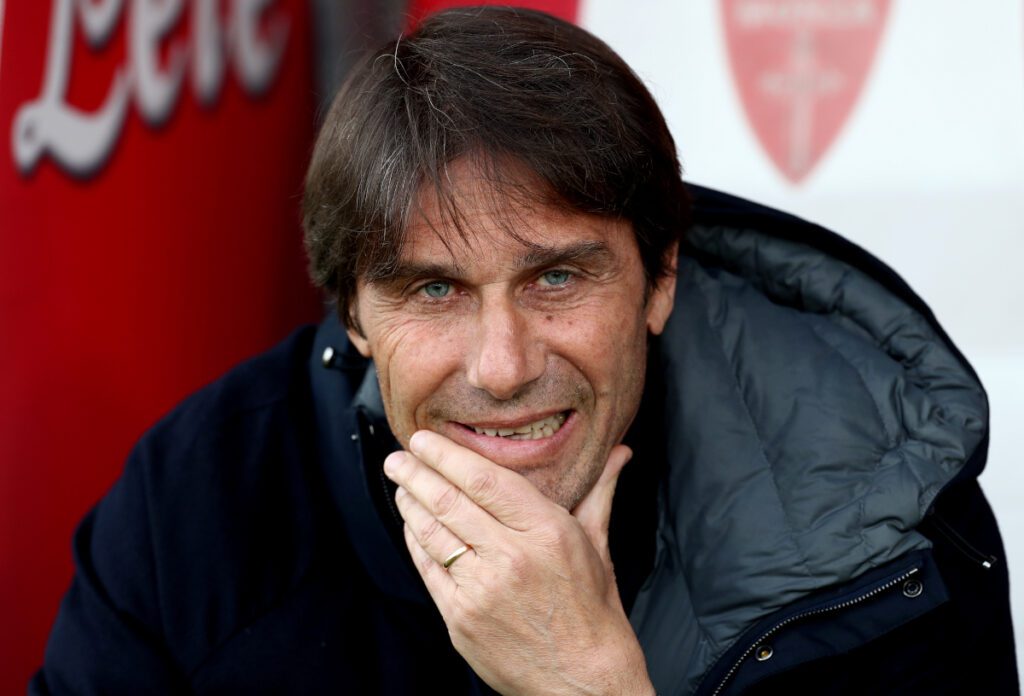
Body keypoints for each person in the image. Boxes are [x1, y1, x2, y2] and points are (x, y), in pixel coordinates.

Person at [32, 7, 1017, 694]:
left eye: (556, 278)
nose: (502, 367)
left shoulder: (881, 519)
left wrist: (588, 685)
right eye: (433, 290)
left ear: (660, 280)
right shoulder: (195, 501)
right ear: (353, 317)